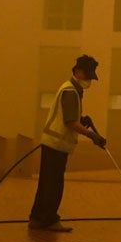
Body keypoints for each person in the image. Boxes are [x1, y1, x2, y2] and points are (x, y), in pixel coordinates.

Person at [29, 54, 107, 231]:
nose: (89, 81)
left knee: (46, 183)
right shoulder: (71, 91)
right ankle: (49, 220)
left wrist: (81, 118)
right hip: (57, 144)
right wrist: (91, 135)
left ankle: (37, 218)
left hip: (53, 143)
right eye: (88, 76)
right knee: (53, 185)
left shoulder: (70, 89)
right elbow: (70, 122)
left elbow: (71, 117)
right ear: (78, 72)